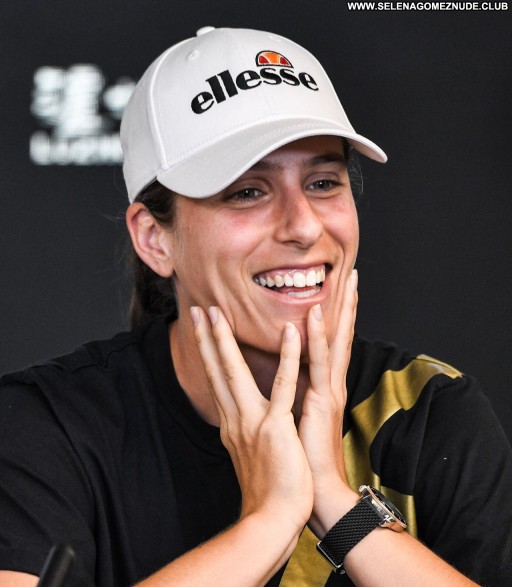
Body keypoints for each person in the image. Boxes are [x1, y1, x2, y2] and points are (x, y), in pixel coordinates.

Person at [0, 26, 511, 587]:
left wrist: (334, 499)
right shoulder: (46, 424)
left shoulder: (426, 408)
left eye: (323, 182)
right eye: (247, 192)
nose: (304, 226)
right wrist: (269, 521)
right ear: (154, 238)